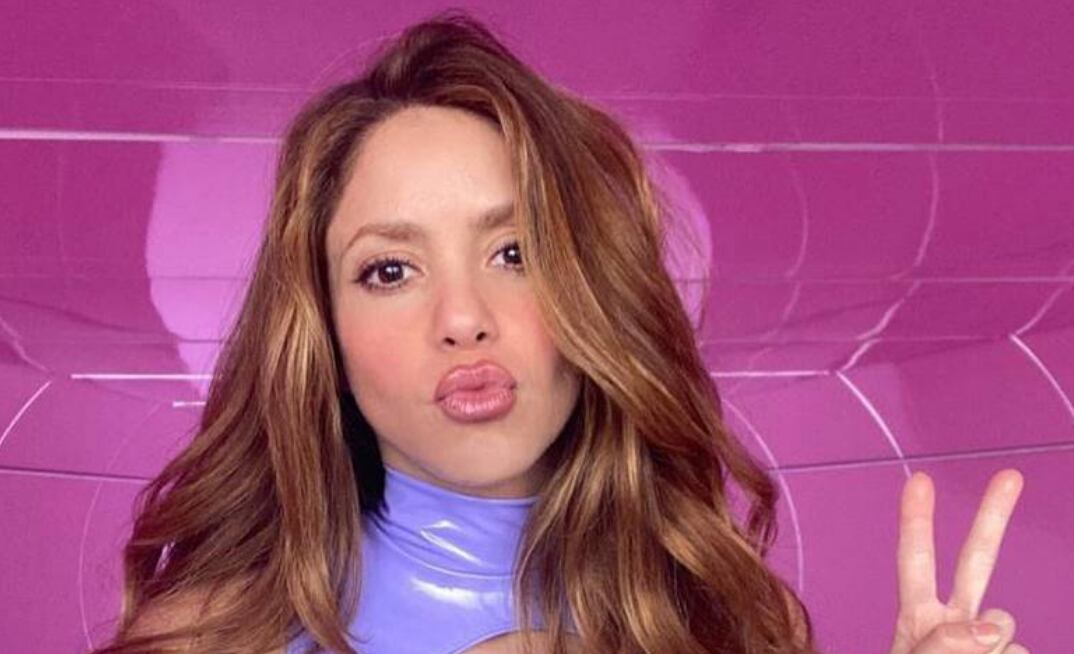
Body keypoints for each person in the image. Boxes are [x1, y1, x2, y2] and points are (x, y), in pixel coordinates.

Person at [87, 8, 1027, 654]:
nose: (463, 319)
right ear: (324, 339)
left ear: (589, 291)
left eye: (516, 252)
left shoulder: (724, 619)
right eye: (390, 271)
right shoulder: (208, 639)